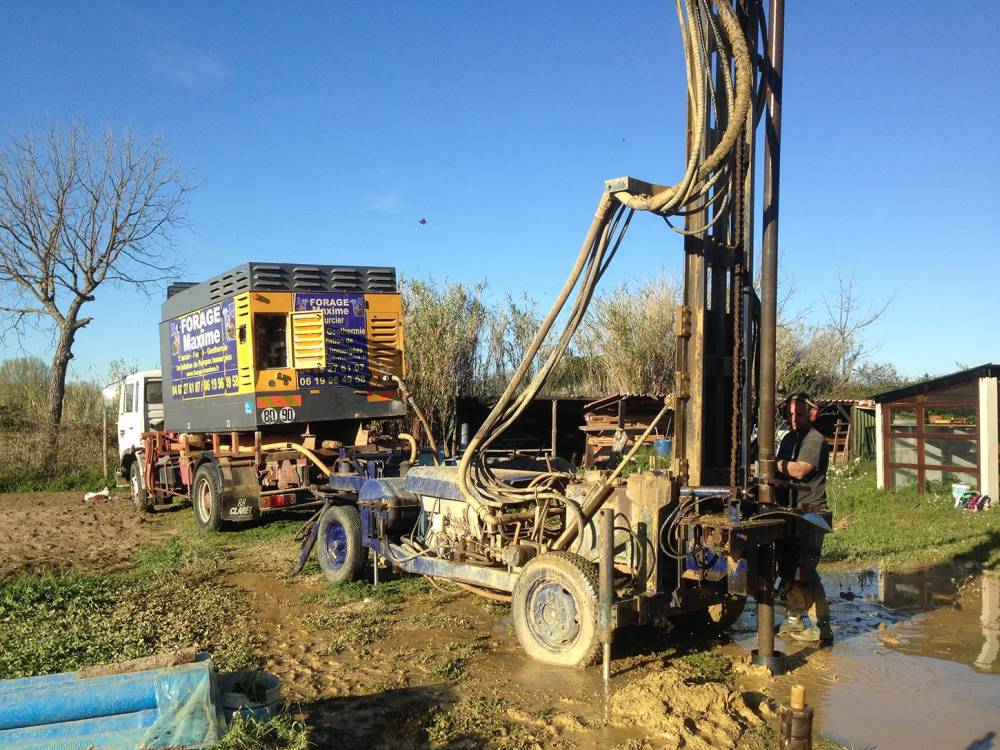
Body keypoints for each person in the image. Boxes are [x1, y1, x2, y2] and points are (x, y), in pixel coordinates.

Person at [775, 392, 834, 645]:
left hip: (811, 514)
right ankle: (793, 620)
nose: (794, 419)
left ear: (811, 414)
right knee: (788, 569)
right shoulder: (789, 438)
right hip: (789, 511)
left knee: (806, 572)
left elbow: (799, 471)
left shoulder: (815, 439)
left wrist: (770, 463)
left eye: (799, 414)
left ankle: (822, 629)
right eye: (790, 414)